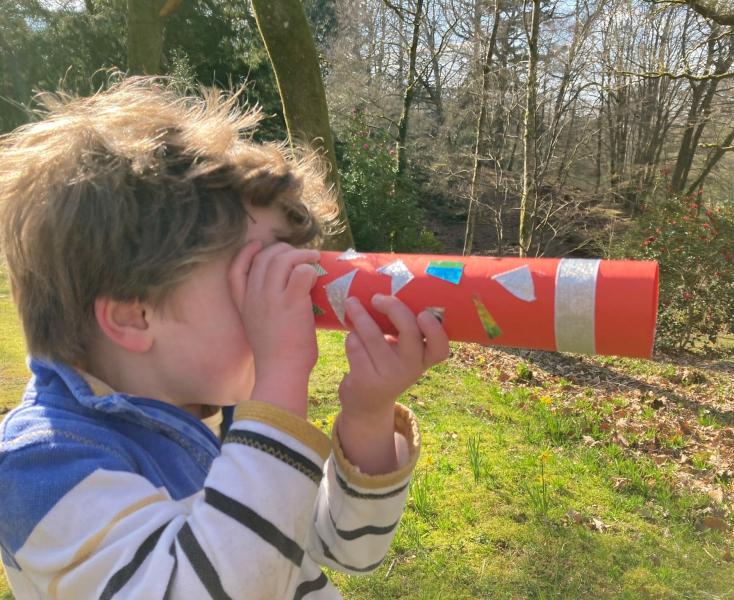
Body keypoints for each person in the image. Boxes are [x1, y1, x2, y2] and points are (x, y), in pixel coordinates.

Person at [0, 77, 449, 599]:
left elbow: (348, 548)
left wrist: (368, 414)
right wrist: (280, 373)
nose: (286, 309)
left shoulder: (212, 410)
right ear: (134, 317)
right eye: (253, 279)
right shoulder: (44, 468)